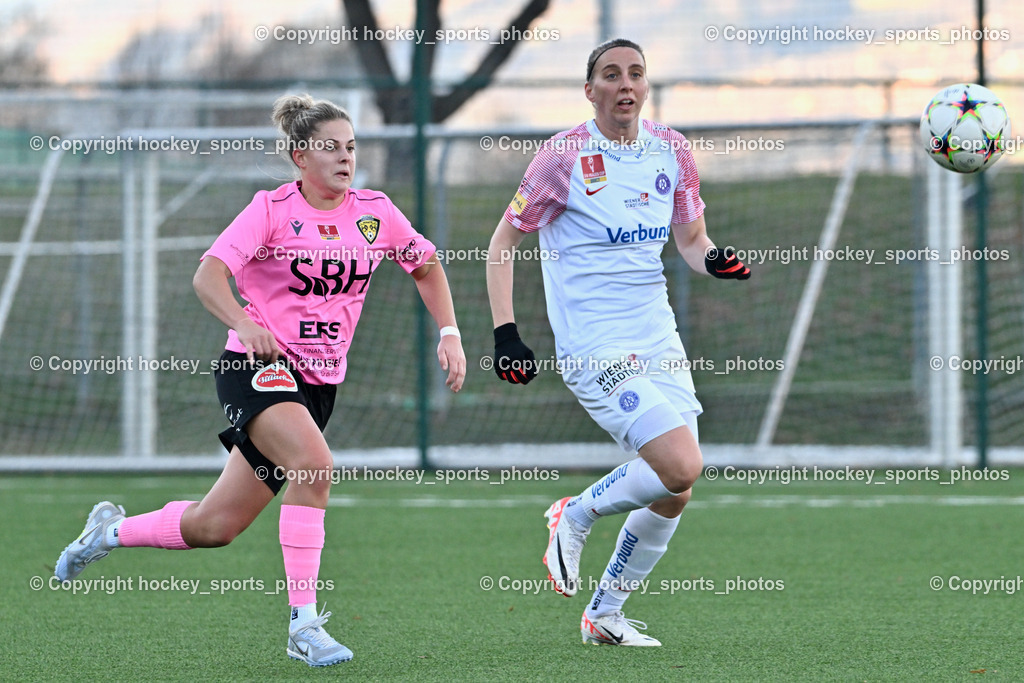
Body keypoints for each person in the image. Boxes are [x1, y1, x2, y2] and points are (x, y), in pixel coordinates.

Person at [54, 94, 466, 667]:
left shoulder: (375, 212)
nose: (345, 158)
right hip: (256, 369)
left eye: (351, 146)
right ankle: (303, 626)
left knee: (214, 525)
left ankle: (109, 532)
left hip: (318, 385)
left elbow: (424, 265)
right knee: (315, 465)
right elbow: (208, 277)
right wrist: (245, 322)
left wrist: (450, 332)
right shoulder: (270, 211)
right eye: (331, 148)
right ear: (300, 157)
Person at [486, 38, 750, 647]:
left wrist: (716, 261)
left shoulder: (671, 149)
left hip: (656, 335)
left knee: (675, 489)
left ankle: (605, 614)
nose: (625, 84)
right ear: (590, 90)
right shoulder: (562, 156)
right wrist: (506, 334)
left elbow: (691, 240)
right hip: (594, 344)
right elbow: (502, 245)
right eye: (611, 75)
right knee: (681, 464)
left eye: (636, 73)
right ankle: (573, 514)